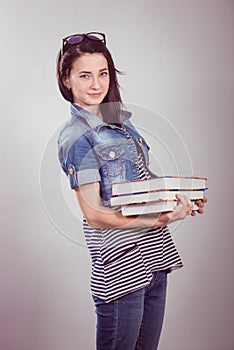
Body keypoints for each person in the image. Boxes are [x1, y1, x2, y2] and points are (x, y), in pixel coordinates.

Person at [56, 32, 207, 350]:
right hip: (121, 273)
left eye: (103, 73)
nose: (96, 84)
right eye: (85, 75)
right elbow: (95, 213)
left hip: (155, 261)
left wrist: (181, 195)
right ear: (67, 80)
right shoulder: (76, 137)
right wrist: (157, 219)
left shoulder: (123, 126)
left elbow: (142, 186)